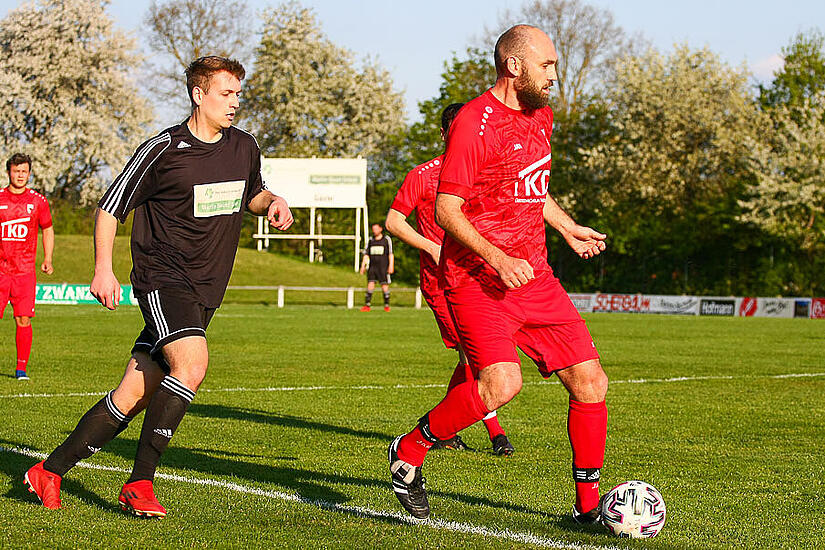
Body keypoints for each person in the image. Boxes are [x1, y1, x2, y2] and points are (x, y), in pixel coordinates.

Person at [23, 56, 294, 517]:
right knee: (191, 365)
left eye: (238, 94)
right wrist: (102, 269)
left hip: (207, 288)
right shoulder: (162, 149)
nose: (235, 103)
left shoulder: (244, 146)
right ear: (198, 94)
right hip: (163, 277)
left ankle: (48, 471)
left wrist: (274, 201)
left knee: (136, 391)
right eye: (226, 94)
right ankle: (140, 482)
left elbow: (251, 193)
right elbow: (109, 208)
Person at [388, 25, 609, 523]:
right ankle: (409, 451)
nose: (555, 73)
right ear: (515, 66)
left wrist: (568, 227)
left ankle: (587, 510)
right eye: (547, 64)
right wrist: (497, 257)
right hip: (476, 280)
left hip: (536, 277)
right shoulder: (473, 121)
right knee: (501, 385)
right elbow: (446, 210)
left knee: (591, 382)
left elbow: (531, 187)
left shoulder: (540, 117)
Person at [385, 103, 514, 456]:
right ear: (445, 135)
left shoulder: (485, 173)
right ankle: (494, 432)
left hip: (480, 281)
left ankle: (439, 426)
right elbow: (394, 222)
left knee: (472, 360)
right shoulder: (423, 175)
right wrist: (431, 247)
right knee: (475, 360)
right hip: (442, 284)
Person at [1, 154, 54, 381]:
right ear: (9, 172)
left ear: (29, 173)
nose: (20, 175)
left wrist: (48, 258)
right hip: (1, 272)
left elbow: (48, 229)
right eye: (16, 171)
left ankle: (21, 368)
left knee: (23, 319)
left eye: (24, 171)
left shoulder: (38, 201)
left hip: (24, 273)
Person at [359, 223, 394, 312]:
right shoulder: (371, 240)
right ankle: (367, 305)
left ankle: (386, 306)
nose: (374, 230)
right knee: (370, 284)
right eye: (373, 229)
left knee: (384, 285)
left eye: (376, 228)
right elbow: (366, 254)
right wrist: (363, 266)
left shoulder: (386, 239)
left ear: (380, 229)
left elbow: (390, 253)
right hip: (372, 267)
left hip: (383, 267)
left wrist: (391, 266)